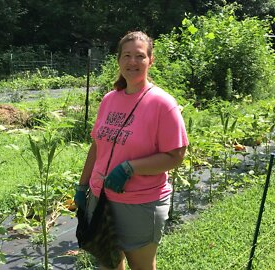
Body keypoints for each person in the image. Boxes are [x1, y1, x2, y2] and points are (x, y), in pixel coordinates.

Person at [74, 31, 189, 270]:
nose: (132, 62)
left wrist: (130, 167)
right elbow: (97, 146)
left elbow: (175, 156)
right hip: (100, 197)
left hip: (139, 203)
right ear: (118, 60)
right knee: (109, 263)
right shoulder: (109, 99)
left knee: (141, 267)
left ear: (150, 60)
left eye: (139, 56)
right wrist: (83, 186)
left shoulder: (162, 104)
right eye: (126, 55)